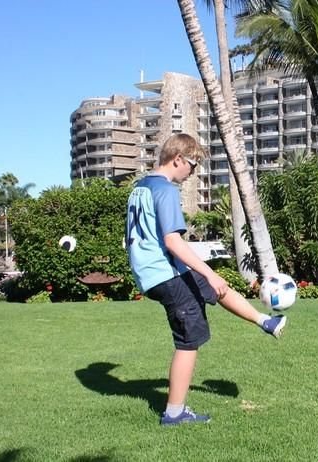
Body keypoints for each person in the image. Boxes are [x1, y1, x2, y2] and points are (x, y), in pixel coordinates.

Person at [125, 133, 287, 426]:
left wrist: (210, 278)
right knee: (189, 341)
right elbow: (172, 241)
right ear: (177, 159)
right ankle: (174, 412)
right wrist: (209, 272)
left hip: (162, 270)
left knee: (218, 289)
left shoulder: (141, 186)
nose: (193, 172)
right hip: (166, 273)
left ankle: (266, 322)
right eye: (193, 164)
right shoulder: (165, 190)